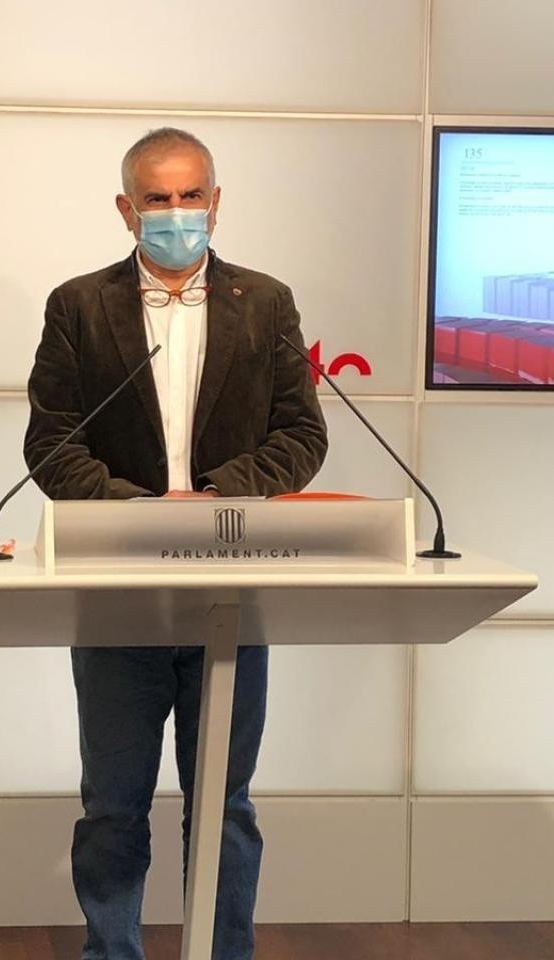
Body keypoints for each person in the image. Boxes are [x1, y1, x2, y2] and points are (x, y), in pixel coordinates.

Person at [23, 128, 328, 960]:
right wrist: (141, 509)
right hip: (119, 590)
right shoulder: (79, 305)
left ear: (216, 203)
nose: (176, 212)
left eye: (191, 195)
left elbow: (302, 435)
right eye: (157, 199)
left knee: (225, 805)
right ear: (126, 209)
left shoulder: (265, 303)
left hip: (233, 587)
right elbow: (51, 444)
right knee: (113, 807)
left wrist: (220, 494)